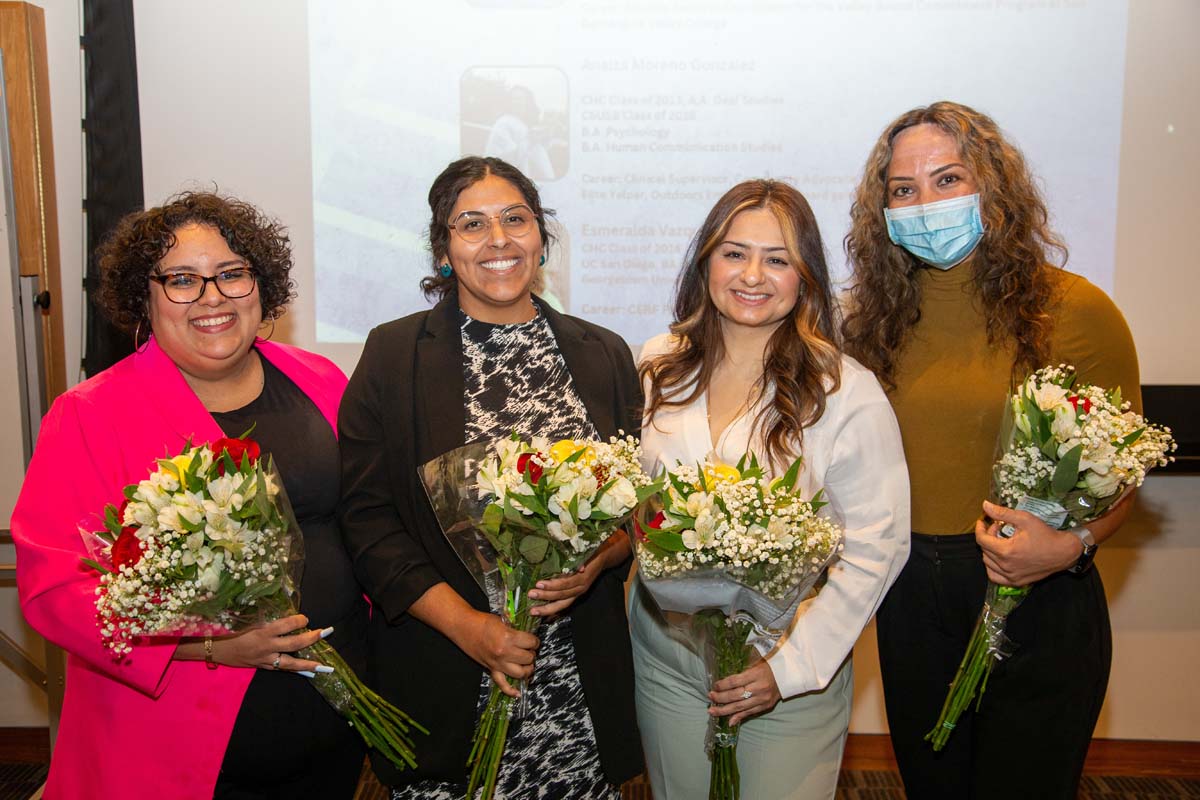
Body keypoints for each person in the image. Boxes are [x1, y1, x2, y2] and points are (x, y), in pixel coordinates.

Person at [11, 192, 366, 799]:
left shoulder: (320, 379)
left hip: (333, 724)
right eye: (182, 280)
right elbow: (55, 590)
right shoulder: (90, 415)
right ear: (143, 299)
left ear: (261, 285)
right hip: (173, 742)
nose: (212, 297)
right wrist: (207, 647)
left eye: (231, 273)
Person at [841, 100, 1142, 799]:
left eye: (948, 180)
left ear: (994, 187)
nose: (926, 203)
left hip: (1040, 598)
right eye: (903, 190)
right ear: (881, 210)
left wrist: (1072, 546)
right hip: (910, 599)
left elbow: (1124, 483)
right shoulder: (868, 325)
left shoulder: (1078, 311)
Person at [338, 156, 643, 798]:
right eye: (471, 224)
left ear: (541, 237)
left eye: (515, 219)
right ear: (443, 250)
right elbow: (369, 521)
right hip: (447, 667)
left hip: (575, 680)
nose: (498, 240)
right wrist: (471, 629)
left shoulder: (604, 353)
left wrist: (602, 559)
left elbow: (633, 508)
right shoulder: (394, 355)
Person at [632, 179, 910, 798]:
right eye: (734, 253)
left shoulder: (845, 391)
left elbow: (877, 547)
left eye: (777, 259)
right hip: (667, 658)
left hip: (784, 668)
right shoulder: (657, 364)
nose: (752, 274)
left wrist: (788, 670)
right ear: (706, 260)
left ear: (805, 276)